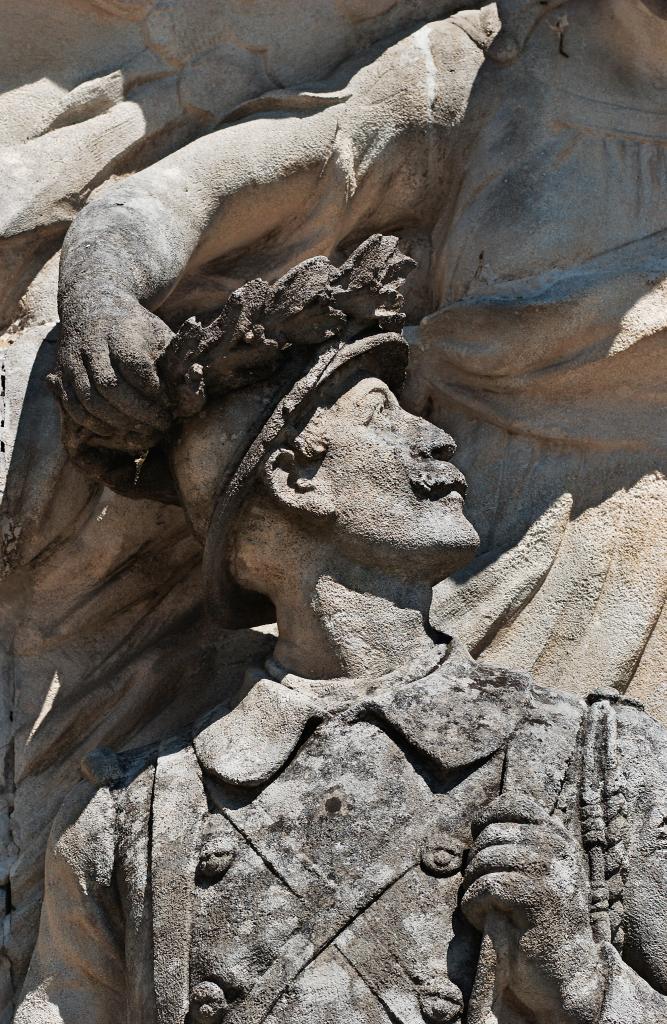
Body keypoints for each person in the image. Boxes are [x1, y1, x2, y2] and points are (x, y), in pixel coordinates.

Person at [15, 267, 667, 1021]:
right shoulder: (132, 822)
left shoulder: (600, 760)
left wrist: (588, 986)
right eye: (382, 414)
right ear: (297, 478)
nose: (437, 437)